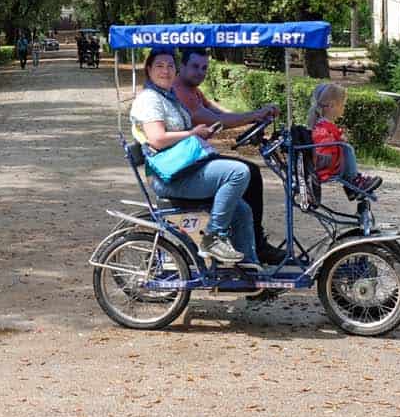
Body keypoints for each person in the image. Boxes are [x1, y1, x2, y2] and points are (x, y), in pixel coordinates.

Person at [130, 47, 258, 268]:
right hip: (171, 177)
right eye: (159, 66)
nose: (166, 70)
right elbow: (157, 138)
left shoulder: (168, 96)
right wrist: (192, 133)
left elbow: (208, 118)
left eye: (170, 66)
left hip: (185, 167)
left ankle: (250, 273)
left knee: (241, 209)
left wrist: (201, 132)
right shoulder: (149, 99)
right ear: (149, 69)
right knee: (238, 172)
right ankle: (213, 237)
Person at [173, 47, 287, 265]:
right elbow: (215, 121)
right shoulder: (180, 93)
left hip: (196, 158)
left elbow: (221, 112)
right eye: (195, 66)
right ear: (182, 66)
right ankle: (238, 241)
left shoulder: (194, 91)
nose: (200, 72)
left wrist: (256, 116)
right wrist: (254, 115)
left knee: (250, 173)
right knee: (247, 172)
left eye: (205, 67)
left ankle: (250, 244)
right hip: (187, 166)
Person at [307, 83, 382, 192]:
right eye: (342, 105)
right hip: (325, 167)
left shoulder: (319, 124)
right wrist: (340, 140)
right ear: (332, 106)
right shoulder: (323, 127)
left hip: (323, 164)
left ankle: (353, 181)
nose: (344, 108)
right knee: (347, 148)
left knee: (345, 147)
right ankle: (354, 181)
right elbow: (325, 147)